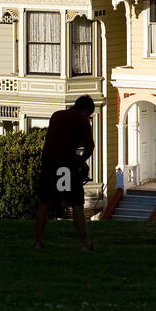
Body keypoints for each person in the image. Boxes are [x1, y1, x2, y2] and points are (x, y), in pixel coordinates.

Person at [34, 95, 95, 251]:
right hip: (65, 167)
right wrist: (81, 161)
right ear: (86, 111)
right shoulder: (82, 121)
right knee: (76, 205)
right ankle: (85, 244)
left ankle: (38, 242)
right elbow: (89, 147)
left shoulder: (56, 115)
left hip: (48, 165)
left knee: (44, 203)